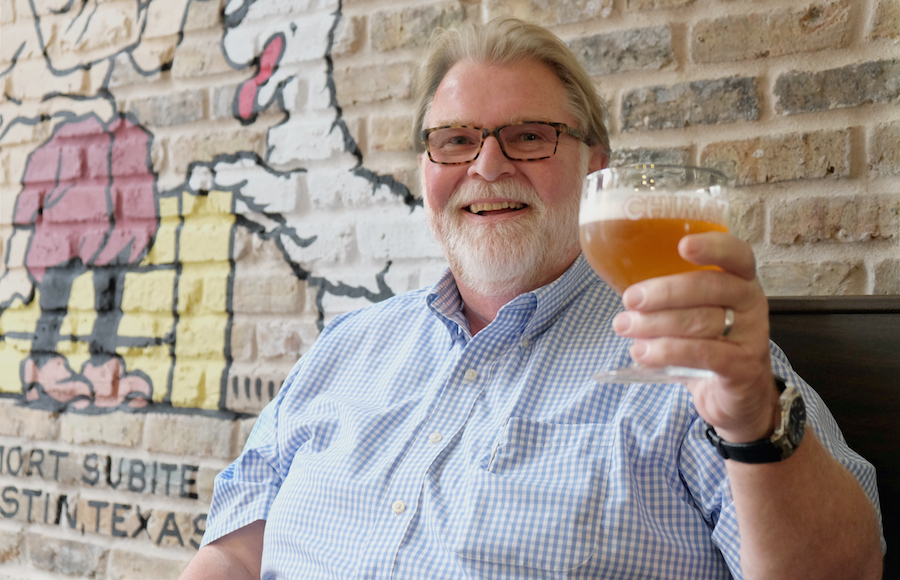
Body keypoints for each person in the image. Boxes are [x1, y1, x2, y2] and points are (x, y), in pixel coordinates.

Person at [180, 18, 884, 579]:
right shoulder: (343, 349)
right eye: (456, 140)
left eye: (528, 137)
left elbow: (846, 572)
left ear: (595, 167)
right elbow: (233, 558)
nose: (487, 166)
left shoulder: (699, 359)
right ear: (425, 169)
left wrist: (756, 419)